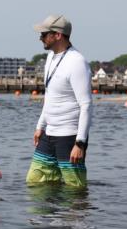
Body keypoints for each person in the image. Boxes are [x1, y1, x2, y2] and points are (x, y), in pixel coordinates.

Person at [26, 15, 92, 189]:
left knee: (74, 190)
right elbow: (50, 95)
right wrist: (40, 125)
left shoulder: (77, 62)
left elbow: (86, 105)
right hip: (48, 134)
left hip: (69, 137)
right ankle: (48, 217)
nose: (40, 37)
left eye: (44, 33)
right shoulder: (50, 58)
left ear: (58, 35)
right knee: (35, 184)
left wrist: (80, 143)